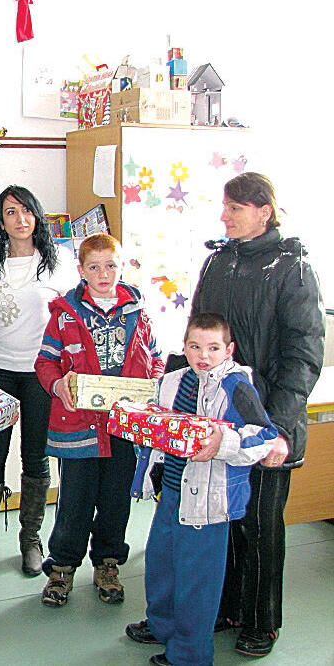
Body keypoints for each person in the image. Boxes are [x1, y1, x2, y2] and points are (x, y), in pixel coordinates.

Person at [188, 173, 323, 657]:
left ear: (263, 211)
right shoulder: (219, 261)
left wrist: (279, 431)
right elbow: (198, 336)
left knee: (261, 527)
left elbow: (303, 357)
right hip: (217, 419)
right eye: (224, 207)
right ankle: (227, 608)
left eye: (234, 208)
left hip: (267, 420)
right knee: (223, 520)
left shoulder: (294, 269)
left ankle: (262, 622)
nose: (223, 216)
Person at [126, 313, 278, 666]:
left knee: (198, 580)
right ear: (184, 347)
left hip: (209, 502)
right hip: (172, 492)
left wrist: (223, 440)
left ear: (229, 350)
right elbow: (160, 426)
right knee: (161, 564)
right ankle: (163, 626)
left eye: (213, 348)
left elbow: (263, 436)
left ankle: (190, 654)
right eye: (195, 346)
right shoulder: (173, 380)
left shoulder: (237, 384)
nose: (203, 356)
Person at [34, 233, 164, 608]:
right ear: (81, 270)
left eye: (111, 266)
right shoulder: (65, 314)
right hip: (79, 428)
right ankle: (62, 567)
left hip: (125, 427)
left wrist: (151, 386)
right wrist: (58, 386)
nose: (103, 274)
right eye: (94, 267)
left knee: (115, 500)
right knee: (74, 501)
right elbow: (45, 363)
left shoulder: (139, 311)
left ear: (122, 267)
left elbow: (154, 358)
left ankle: (107, 562)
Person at [0, 185, 79, 576]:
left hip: (41, 374)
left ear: (37, 216)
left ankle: (30, 539)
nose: (20, 219)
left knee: (35, 456)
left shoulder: (58, 261)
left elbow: (73, 316)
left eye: (27, 210)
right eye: (11, 212)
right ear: (0, 221)